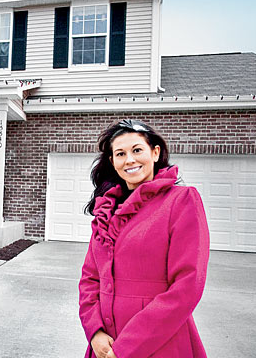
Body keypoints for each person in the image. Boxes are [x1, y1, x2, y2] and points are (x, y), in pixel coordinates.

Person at [79, 119, 210, 358]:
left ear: (155, 152)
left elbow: (187, 284)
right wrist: (95, 332)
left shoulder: (181, 201)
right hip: (104, 344)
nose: (129, 159)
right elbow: (90, 278)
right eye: (120, 153)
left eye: (137, 150)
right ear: (113, 162)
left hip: (159, 344)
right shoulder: (106, 211)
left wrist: (127, 347)